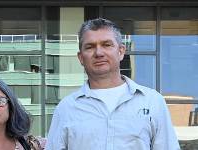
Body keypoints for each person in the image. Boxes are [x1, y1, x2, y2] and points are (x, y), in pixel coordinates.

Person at [46, 18, 180, 150]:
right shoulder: (66, 109)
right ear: (81, 58)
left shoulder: (152, 102)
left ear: (121, 51)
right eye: (90, 47)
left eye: (106, 45)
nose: (99, 53)